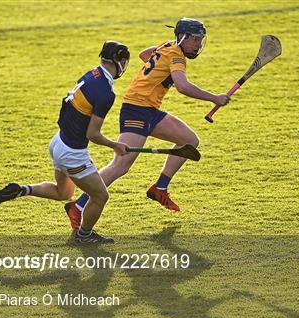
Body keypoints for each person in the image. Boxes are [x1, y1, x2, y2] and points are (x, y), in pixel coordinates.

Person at [65, 18, 230, 230]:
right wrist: (214, 98)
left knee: (189, 141)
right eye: (195, 40)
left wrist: (159, 73)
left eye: (201, 40)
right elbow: (182, 86)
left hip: (149, 110)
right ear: (182, 37)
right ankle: (77, 207)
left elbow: (145, 55)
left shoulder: (166, 46)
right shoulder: (177, 56)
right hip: (137, 110)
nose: (198, 45)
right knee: (121, 165)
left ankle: (160, 187)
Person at [0, 41, 130, 244]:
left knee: (63, 192)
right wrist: (116, 145)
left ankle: (21, 190)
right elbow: (93, 133)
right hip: (72, 153)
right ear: (120, 62)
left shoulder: (92, 74)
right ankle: (84, 235)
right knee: (100, 196)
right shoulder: (106, 93)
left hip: (58, 142)